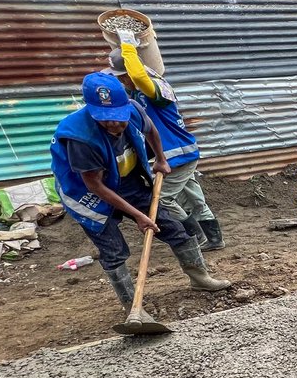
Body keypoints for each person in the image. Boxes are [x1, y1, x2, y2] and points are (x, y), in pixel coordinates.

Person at [50, 73, 230, 317]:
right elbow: (95, 186)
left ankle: (201, 278)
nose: (114, 124)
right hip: (87, 194)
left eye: (118, 118)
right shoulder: (80, 137)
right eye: (106, 120)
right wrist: (138, 216)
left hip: (127, 181)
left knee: (173, 227)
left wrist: (161, 160)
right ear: (92, 111)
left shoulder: (134, 109)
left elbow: (152, 130)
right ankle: (132, 308)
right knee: (114, 250)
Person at [106, 30, 225, 251]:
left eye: (123, 76)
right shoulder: (134, 95)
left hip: (177, 154)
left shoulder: (155, 88)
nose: (121, 81)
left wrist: (129, 47)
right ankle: (214, 239)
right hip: (178, 154)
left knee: (162, 201)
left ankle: (194, 236)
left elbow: (140, 77)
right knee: (194, 199)